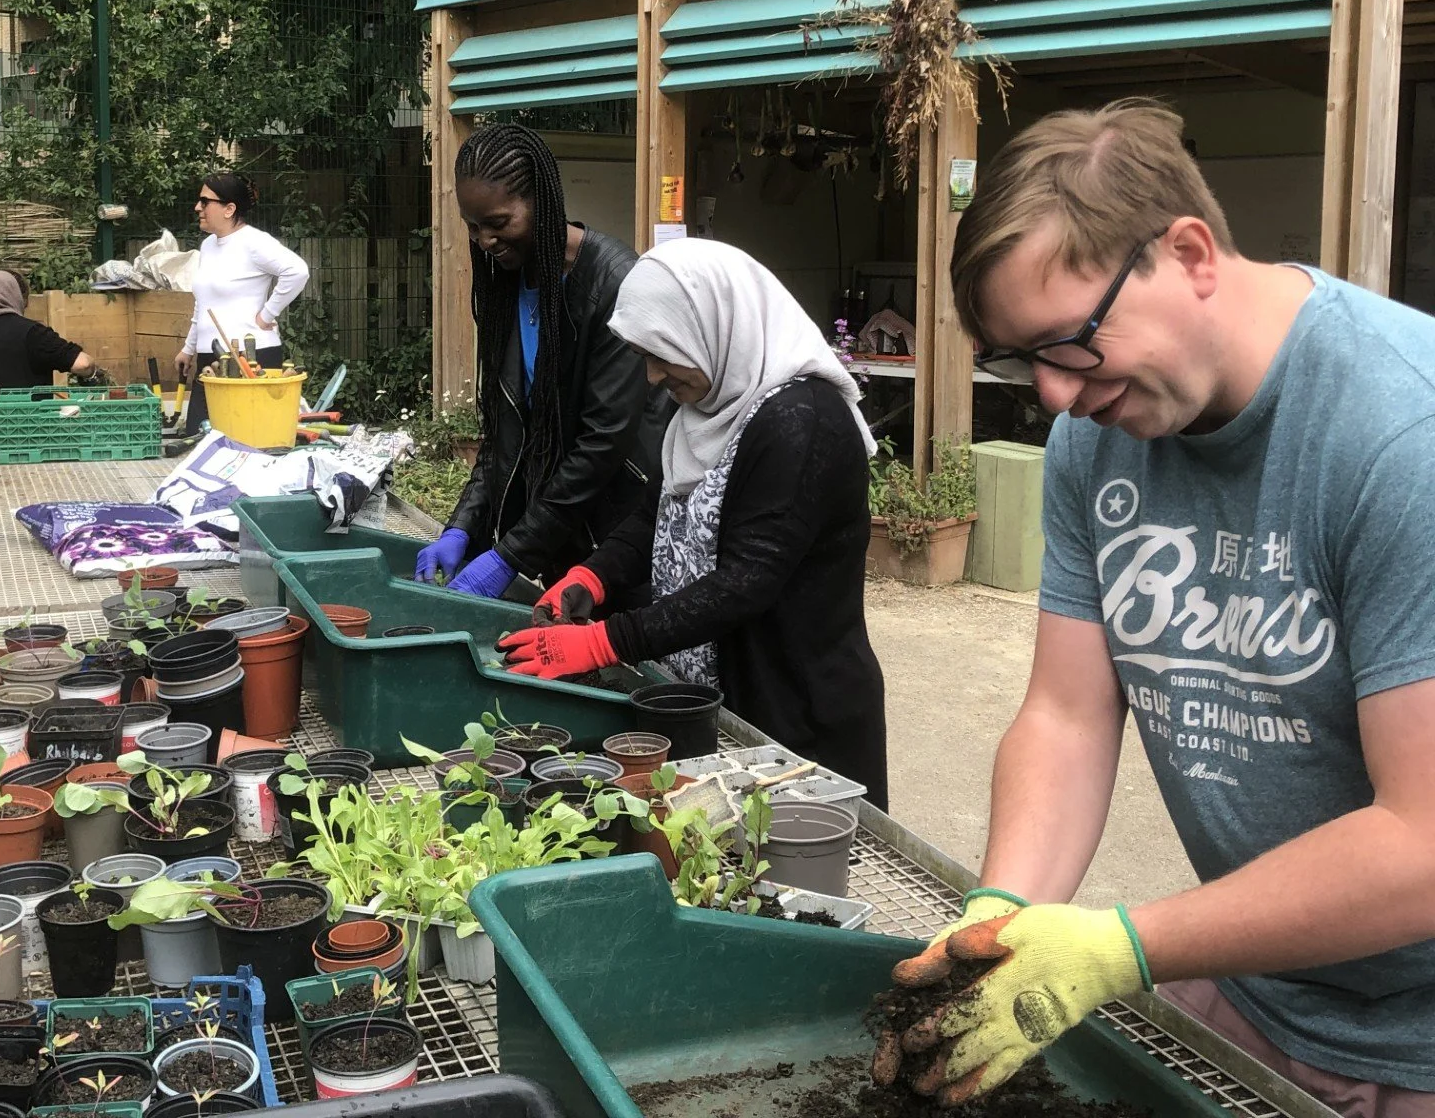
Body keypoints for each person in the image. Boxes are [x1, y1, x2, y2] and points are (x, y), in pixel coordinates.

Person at [877, 100, 1435, 1115]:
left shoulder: (1402, 437)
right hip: (1249, 985)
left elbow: (1423, 839)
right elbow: (1069, 712)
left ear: (1189, 254)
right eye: (1021, 360)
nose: (1051, 395)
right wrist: (1005, 913)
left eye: (1069, 343)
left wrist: (1122, 945)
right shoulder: (1103, 433)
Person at [494, 239, 889, 808]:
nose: (652, 376)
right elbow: (657, 512)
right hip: (726, 706)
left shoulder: (802, 422)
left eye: (662, 354)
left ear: (710, 326)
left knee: (797, 880)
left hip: (797, 716)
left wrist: (607, 641)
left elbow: (745, 583)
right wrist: (593, 576)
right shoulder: (706, 411)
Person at [415, 124, 667, 599]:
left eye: (498, 222)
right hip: (557, 530)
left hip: (616, 537)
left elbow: (603, 444)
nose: (485, 240)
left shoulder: (613, 282)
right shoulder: (507, 282)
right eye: (473, 226)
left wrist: (511, 555)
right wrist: (462, 528)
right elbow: (505, 429)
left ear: (543, 202)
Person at [175, 172, 310, 434]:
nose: (197, 207)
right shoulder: (208, 246)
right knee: (198, 438)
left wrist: (267, 315)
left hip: (252, 357)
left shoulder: (254, 242)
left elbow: (298, 271)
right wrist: (188, 348)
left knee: (249, 442)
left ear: (229, 209)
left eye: (205, 201)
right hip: (210, 359)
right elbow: (203, 302)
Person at [0, 270, 104, 391]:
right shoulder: (32, 333)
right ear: (18, 299)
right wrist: (93, 374)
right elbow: (83, 364)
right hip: (18, 430)